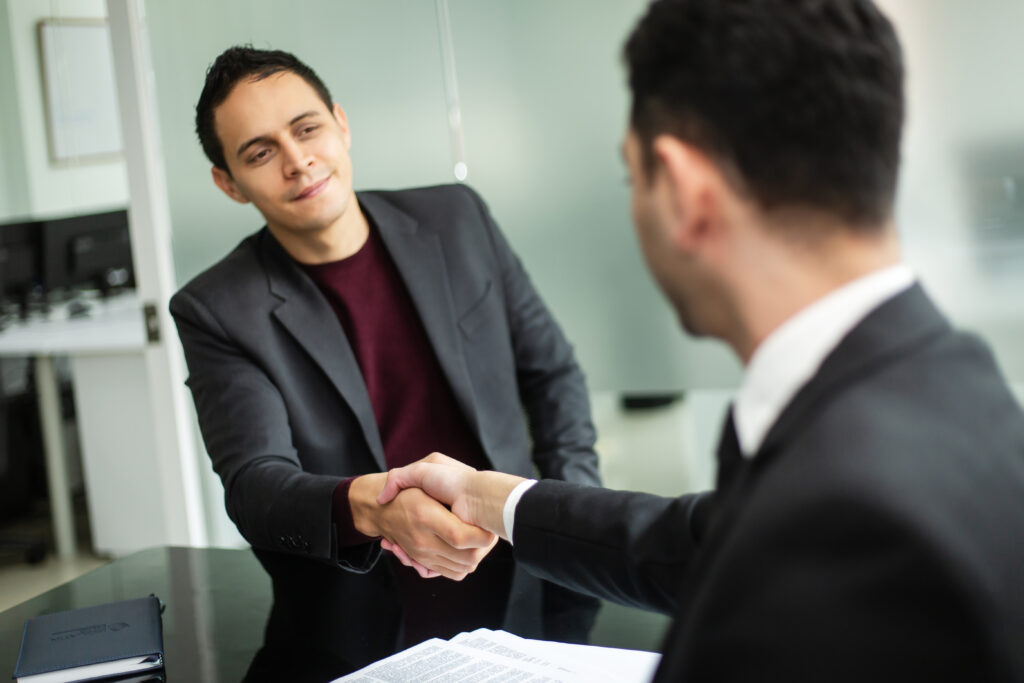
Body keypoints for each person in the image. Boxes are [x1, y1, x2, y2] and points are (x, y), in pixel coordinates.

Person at [376, 0, 1024, 680]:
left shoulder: (851, 520)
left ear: (686, 192)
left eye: (633, 177)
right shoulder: (948, 388)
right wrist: (490, 495)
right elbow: (697, 543)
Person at [168, 46, 602, 679]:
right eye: (259, 153)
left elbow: (552, 373)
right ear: (228, 183)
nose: (298, 161)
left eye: (307, 128)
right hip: (357, 628)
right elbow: (257, 485)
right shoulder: (217, 308)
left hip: (526, 595)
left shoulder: (457, 218)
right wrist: (373, 507)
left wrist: (570, 522)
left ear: (341, 123)